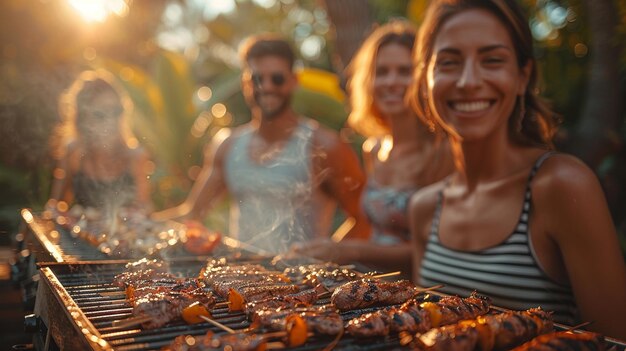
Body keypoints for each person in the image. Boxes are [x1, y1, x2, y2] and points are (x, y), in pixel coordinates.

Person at [408, 0, 626, 339]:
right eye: (449, 62)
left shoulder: (561, 185)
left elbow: (616, 342)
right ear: (426, 79)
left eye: (492, 60)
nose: (468, 81)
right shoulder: (424, 208)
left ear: (522, 76)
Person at [152, 34, 370, 254]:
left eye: (277, 79)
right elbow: (191, 214)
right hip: (242, 282)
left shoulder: (324, 145)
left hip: (302, 286)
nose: (266, 87)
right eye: (257, 79)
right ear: (246, 83)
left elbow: (364, 218)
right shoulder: (227, 145)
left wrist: (329, 256)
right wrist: (145, 222)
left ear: (294, 81)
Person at [291, 21, 453, 275]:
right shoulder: (374, 148)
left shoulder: (443, 152)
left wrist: (347, 252)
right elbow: (371, 226)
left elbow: (436, 250)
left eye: (404, 71)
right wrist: (324, 248)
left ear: (424, 78)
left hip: (418, 296)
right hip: (372, 290)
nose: (391, 81)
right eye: (382, 71)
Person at [47, 69, 152, 215]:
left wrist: (134, 214)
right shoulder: (73, 153)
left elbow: (145, 209)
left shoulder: (135, 156)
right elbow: (56, 206)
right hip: (82, 235)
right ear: (83, 118)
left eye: (116, 111)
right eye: (100, 114)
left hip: (124, 236)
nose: (111, 121)